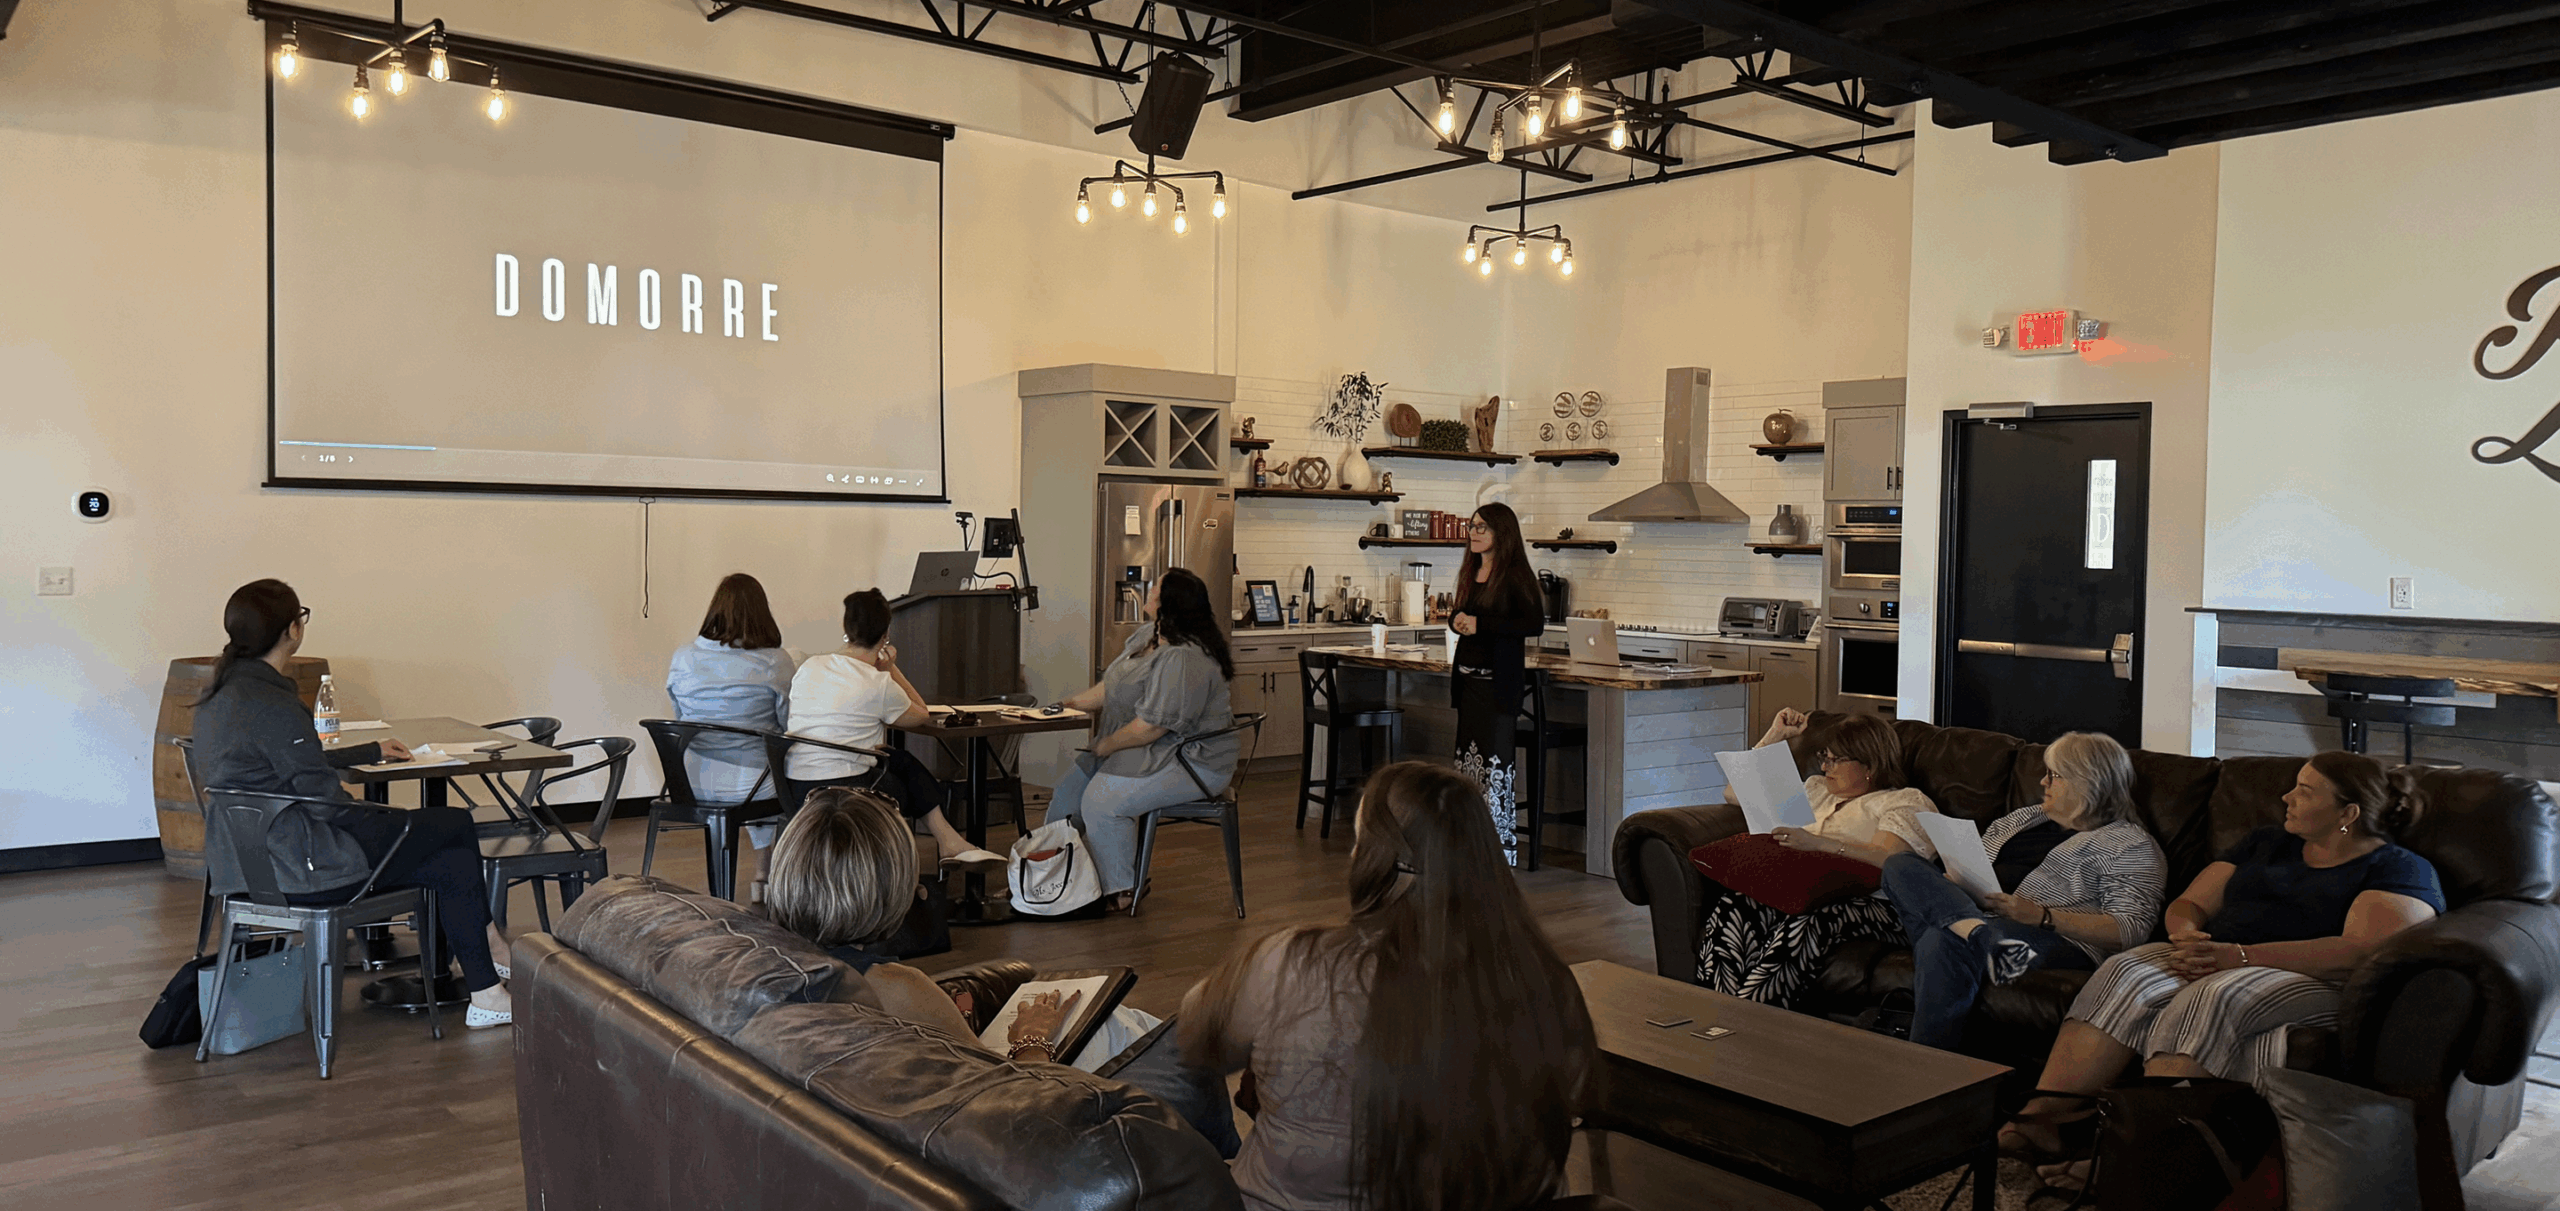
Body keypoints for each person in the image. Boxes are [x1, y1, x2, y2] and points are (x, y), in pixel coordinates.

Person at [1999, 751, 2445, 1185]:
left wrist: (2242, 957)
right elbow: (2189, 903)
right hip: (2221, 956)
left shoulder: (2397, 868)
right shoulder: (2267, 842)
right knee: (2125, 971)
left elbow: (2357, 950)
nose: (2286, 797)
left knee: (2209, 998)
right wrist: (2186, 935)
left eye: (2305, 792)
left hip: (2308, 979)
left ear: (2347, 812)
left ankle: (2131, 1161)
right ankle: (2045, 1118)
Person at [1179, 762, 1594, 1211]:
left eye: (1360, 843)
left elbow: (1196, 1038)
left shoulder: (1289, 963)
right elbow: (1571, 1096)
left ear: (1376, 865)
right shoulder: (1549, 980)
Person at [763, 787, 1238, 1155]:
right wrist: (1033, 1038)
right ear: (890, 886)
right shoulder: (893, 987)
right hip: (1001, 1127)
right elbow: (1012, 1105)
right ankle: (1234, 1159)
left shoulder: (769, 965)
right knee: (1143, 1032)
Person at [188, 579, 516, 1028]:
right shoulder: (273, 703)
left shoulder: (218, 697)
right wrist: (393, 822)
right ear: (293, 629)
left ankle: (486, 985)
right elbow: (329, 809)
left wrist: (367, 753)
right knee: (452, 827)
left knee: (445, 857)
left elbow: (280, 767)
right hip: (303, 867)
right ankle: (489, 958)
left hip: (245, 869)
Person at [1878, 731, 2166, 1051]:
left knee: (1942, 937)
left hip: (2056, 937)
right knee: (1900, 865)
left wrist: (2041, 916)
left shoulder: (2130, 845)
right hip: (1982, 916)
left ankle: (1925, 1061)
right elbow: (1978, 868)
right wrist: (1955, 885)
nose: (2043, 783)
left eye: (2053, 775)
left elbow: (2131, 928)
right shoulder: (2023, 818)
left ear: (2088, 781)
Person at [1695, 708, 1942, 1006]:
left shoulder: (1904, 801)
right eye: (1825, 756)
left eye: (1835, 759)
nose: (1826, 766)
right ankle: (1716, 1010)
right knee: (1737, 903)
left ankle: (1752, 1017)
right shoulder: (1816, 791)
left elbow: (1890, 859)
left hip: (1879, 906)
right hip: (1806, 893)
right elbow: (1733, 792)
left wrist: (1818, 844)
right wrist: (1777, 736)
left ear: (1870, 765)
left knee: (1808, 920)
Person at [780, 589, 1004, 882]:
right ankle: (939, 848)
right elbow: (921, 714)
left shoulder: (810, 666)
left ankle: (947, 843)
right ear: (885, 634)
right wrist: (891, 669)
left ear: (847, 630)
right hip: (849, 789)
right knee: (903, 772)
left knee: (898, 759)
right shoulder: (877, 683)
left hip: (796, 786)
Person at [1049, 567, 1238, 912]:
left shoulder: (1184, 656)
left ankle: (1120, 890)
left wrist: (1104, 746)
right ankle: (1054, 881)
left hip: (1191, 760)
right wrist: (1069, 704)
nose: (1148, 589)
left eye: (1155, 587)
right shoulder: (1147, 636)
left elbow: (1152, 727)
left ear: (1168, 602)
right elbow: (1111, 688)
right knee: (1067, 796)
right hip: (1147, 748)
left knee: (1102, 801)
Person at [1447, 502, 1548, 867]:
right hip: (1469, 685)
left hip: (1497, 688)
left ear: (1500, 534)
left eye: (1482, 528)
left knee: (1495, 769)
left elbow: (1533, 624)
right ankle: (1467, 846)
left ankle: (1498, 853)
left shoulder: (1516, 576)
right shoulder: (1471, 571)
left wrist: (1480, 625)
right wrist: (1456, 620)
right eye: (1472, 526)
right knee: (1468, 768)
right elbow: (1463, 615)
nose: (1473, 533)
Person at [666, 573, 797, 807]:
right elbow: (789, 724)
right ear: (762, 614)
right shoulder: (776, 661)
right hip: (753, 784)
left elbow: (681, 720)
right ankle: (770, 844)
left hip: (689, 780)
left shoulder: (683, 657)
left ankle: (724, 840)